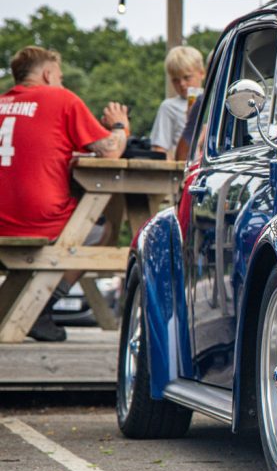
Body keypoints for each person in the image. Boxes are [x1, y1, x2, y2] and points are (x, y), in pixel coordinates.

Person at [0, 45, 131, 341]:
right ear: (47, 74)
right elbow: (111, 153)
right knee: (103, 232)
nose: (62, 83)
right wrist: (120, 126)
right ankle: (41, 309)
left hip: (2, 220)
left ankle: (28, 311)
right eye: (60, 77)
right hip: (37, 221)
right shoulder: (60, 99)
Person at [150, 45, 205, 159]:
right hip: (182, 166)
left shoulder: (214, 101)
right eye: (175, 80)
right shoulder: (168, 107)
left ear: (202, 73)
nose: (182, 84)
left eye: (187, 77)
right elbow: (159, 148)